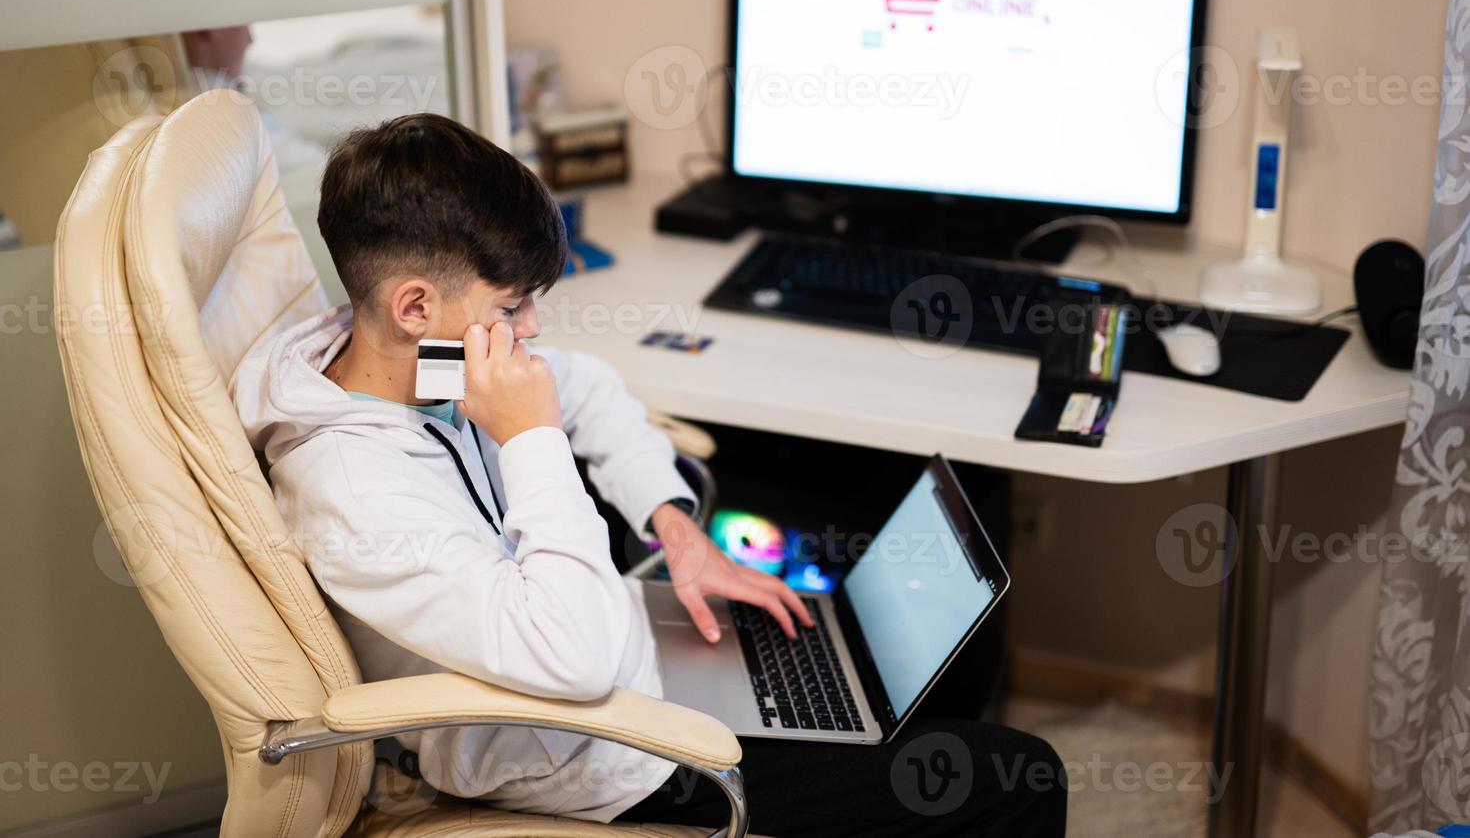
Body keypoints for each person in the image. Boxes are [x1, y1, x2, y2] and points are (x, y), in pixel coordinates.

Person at [234, 113, 1066, 834]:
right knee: (1009, 777)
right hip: (598, 756)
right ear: (415, 307)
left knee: (961, 650)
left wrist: (679, 532)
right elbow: (575, 661)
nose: (533, 326)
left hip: (631, 649)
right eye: (512, 305)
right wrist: (532, 438)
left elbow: (587, 386)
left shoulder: (415, 364)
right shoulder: (355, 490)